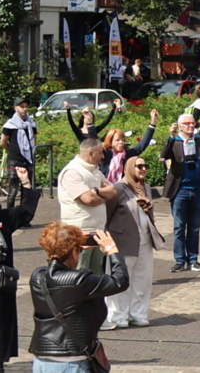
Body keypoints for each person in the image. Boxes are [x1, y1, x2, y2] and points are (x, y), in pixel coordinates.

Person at [28, 224, 128, 373]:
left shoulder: (38, 276)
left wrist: (68, 244)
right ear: (75, 251)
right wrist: (112, 250)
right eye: (79, 250)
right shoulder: (79, 280)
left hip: (41, 360)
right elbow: (120, 281)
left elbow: (53, 267)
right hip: (71, 363)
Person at [0, 167, 38, 373]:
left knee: (1, 323)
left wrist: (25, 182)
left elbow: (26, 211)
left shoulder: (3, 218)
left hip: (1, 283)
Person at [102, 156, 164, 330]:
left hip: (144, 238)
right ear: (130, 168)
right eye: (139, 166)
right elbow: (107, 212)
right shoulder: (119, 188)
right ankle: (119, 315)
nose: (143, 169)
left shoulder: (146, 188)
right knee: (121, 277)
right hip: (123, 240)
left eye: (145, 166)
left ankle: (138, 314)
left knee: (142, 279)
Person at [56, 139, 118, 274]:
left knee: (97, 274)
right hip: (79, 232)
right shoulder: (72, 172)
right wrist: (101, 194)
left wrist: (95, 191)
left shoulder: (96, 171)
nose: (103, 156)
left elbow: (113, 191)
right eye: (101, 153)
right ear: (91, 153)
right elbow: (88, 199)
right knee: (80, 273)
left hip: (98, 231)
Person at [160, 112, 200, 273]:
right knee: (179, 227)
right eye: (187, 124)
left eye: (192, 123)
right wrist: (171, 137)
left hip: (197, 190)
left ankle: (193, 260)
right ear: (181, 125)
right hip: (180, 190)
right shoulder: (175, 141)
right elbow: (164, 155)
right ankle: (180, 260)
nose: (191, 126)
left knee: (195, 228)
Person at [101, 109, 159, 183]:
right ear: (110, 141)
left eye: (123, 140)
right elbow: (92, 139)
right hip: (106, 188)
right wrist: (89, 124)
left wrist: (153, 123)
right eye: (117, 140)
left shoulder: (127, 154)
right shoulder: (104, 154)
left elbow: (143, 144)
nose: (121, 142)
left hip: (122, 189)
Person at [0, 97, 37, 208]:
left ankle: (24, 217)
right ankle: (10, 215)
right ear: (16, 108)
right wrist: (12, 150)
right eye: (22, 107)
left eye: (26, 107)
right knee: (13, 189)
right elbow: (3, 142)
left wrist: (31, 150)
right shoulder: (10, 124)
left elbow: (34, 139)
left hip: (27, 159)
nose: (24, 109)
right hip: (14, 159)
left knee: (26, 188)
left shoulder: (31, 123)